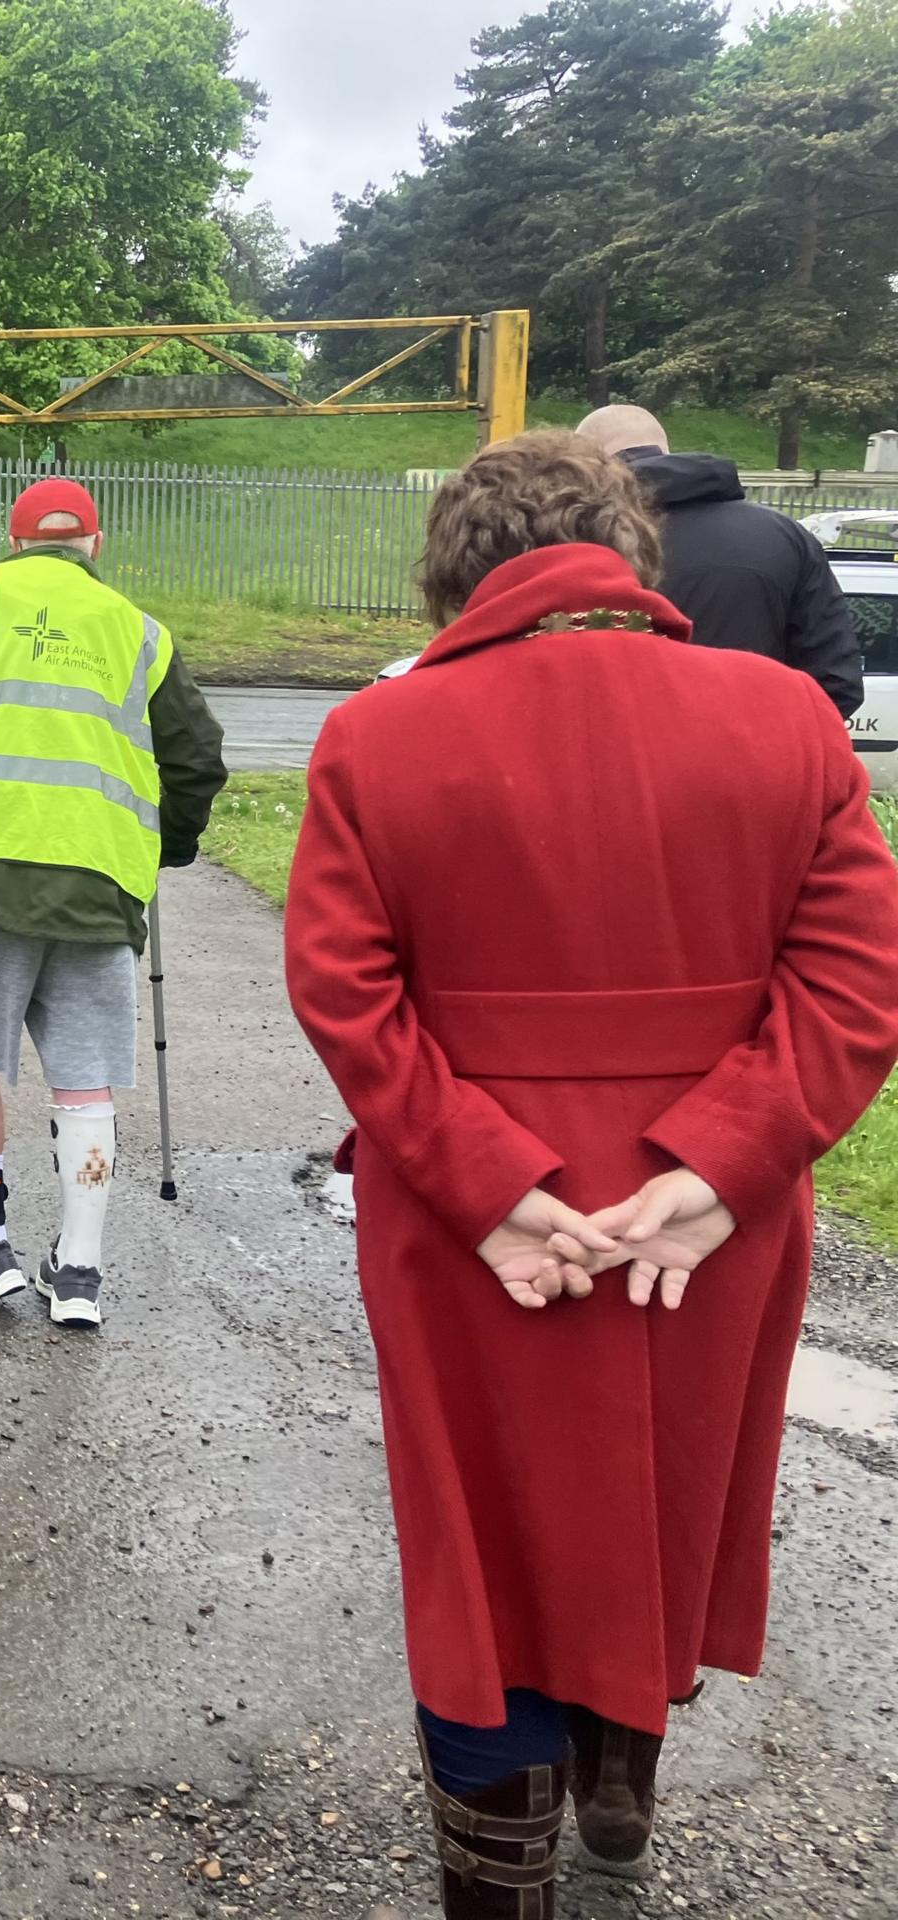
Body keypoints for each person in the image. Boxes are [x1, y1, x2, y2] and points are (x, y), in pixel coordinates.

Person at [284, 431, 898, 1918]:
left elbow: (347, 995)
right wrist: (719, 1166)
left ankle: (504, 1887)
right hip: (710, 1222)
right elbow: (855, 980)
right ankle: (623, 1781)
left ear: (453, 578)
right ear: (632, 558)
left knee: (481, 1547)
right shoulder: (787, 721)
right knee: (664, 1505)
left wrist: (490, 1184)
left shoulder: (378, 738)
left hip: (475, 1221)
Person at [0, 478, 225, 1324]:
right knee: (85, 1076)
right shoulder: (139, 632)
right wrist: (171, 840)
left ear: (16, 542)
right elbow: (198, 754)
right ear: (95, 545)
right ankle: (81, 1271)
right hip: (98, 884)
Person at [575, 403, 862, 716]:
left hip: (629, 754)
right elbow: (837, 682)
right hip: (759, 751)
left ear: (590, 461)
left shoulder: (581, 540)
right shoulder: (785, 536)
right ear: (665, 450)